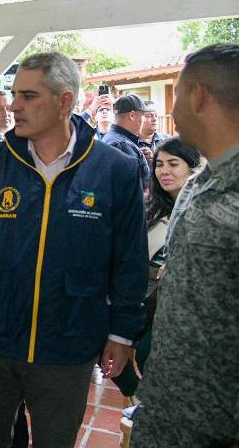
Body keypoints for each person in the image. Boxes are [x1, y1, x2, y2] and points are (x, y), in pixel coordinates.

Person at [0, 52, 148, 448]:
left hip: (68, 342)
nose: (14, 106)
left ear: (65, 101)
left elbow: (129, 259)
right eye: (14, 94)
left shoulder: (113, 169)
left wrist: (122, 334)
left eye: (28, 95)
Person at [132, 43, 239, 448]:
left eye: (175, 96)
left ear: (198, 97)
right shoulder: (199, 182)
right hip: (169, 406)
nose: (170, 112)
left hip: (219, 423)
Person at [111, 137, 202, 399]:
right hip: (143, 294)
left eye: (174, 164)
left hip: (177, 303)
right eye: (159, 164)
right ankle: (140, 396)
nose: (164, 171)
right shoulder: (150, 207)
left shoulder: (202, 209)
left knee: (149, 350)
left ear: (193, 167)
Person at [101, 93, 152, 184]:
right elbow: (134, 188)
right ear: (132, 115)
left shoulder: (111, 139)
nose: (144, 120)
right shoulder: (122, 145)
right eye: (143, 115)